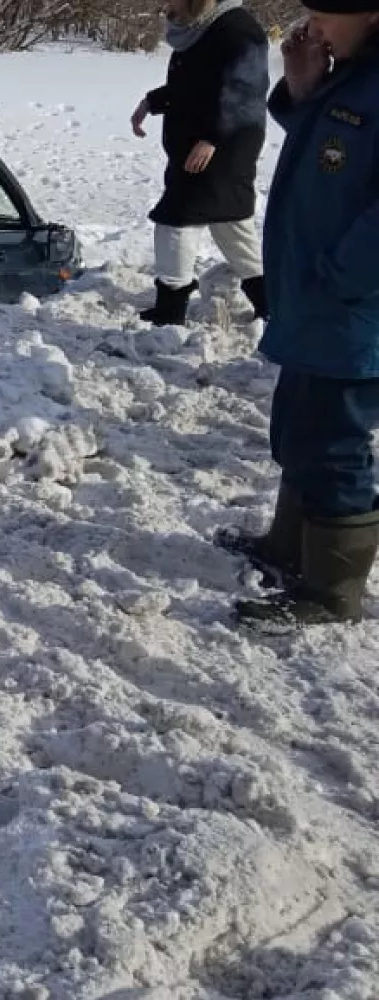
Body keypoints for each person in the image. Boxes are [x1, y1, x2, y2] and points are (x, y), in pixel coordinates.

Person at [224, 0, 379, 630]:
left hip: (354, 308)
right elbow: (331, 150)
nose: (314, 26)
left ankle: (333, 590)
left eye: (328, 16)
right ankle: (289, 547)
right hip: (315, 298)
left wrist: (341, 278)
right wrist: (303, 86)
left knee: (335, 442)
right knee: (298, 428)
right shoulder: (354, 71)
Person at [131, 0, 272, 326]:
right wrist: (152, 102)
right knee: (230, 225)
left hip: (224, 148)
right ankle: (272, 304)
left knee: (177, 220)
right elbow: (195, 85)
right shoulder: (202, 27)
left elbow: (245, 94)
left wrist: (212, 137)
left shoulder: (238, 31)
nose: (167, 5)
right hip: (200, 147)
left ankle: (170, 310)